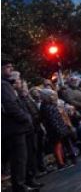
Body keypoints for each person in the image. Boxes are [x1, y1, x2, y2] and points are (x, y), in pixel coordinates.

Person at [2, 58, 38, 192]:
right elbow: (11, 107)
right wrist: (26, 117)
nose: (10, 69)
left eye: (11, 66)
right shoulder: (3, 86)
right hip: (14, 128)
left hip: (14, 127)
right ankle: (20, 186)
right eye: (7, 67)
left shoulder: (5, 85)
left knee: (22, 157)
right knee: (19, 159)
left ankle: (23, 184)